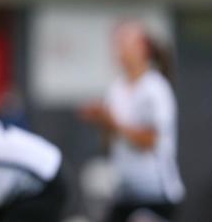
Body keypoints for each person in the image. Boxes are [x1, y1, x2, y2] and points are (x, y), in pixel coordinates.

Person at [79, 20, 185, 222]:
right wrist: (101, 119)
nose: (118, 51)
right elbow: (111, 139)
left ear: (142, 48)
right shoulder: (116, 88)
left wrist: (113, 122)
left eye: (124, 44)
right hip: (123, 189)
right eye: (116, 44)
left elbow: (150, 141)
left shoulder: (155, 89)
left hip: (155, 193)